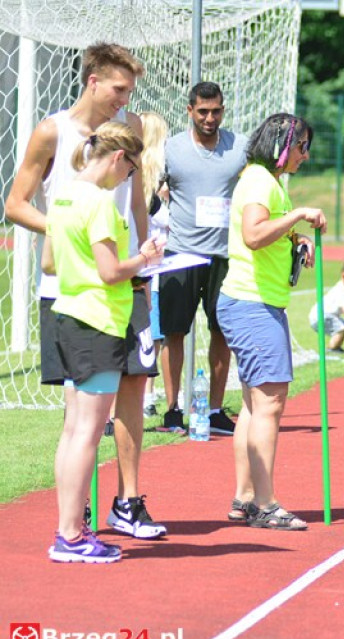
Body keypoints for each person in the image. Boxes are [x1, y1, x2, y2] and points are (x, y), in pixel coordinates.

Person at [4, 42, 166, 540]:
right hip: (71, 288)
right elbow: (15, 204)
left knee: (134, 389)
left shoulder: (131, 129)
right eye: (119, 89)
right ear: (93, 80)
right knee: (83, 408)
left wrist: (145, 252)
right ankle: (74, 520)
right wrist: (67, 231)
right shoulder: (53, 130)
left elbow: (136, 198)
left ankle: (128, 501)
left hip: (128, 277)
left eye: (130, 91)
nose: (125, 99)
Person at [46, 122, 165, 562]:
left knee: (73, 432)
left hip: (69, 315)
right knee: (87, 435)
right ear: (118, 158)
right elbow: (112, 271)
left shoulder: (62, 195)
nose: (128, 179)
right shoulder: (98, 202)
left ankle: (68, 530)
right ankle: (71, 536)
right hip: (97, 321)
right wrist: (146, 257)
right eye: (131, 170)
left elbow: (50, 261)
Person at [216, 112, 324, 530]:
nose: (306, 155)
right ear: (282, 145)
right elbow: (254, 234)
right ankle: (265, 503)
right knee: (270, 404)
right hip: (253, 304)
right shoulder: (261, 181)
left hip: (254, 302)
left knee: (253, 404)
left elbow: (264, 233)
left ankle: (246, 498)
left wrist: (294, 239)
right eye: (301, 146)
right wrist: (298, 218)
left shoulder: (266, 182)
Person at [160, 82, 249, 436]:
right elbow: (150, 189)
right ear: (189, 111)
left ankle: (214, 410)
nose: (210, 118)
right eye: (203, 112)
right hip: (179, 253)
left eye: (216, 112)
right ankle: (171, 410)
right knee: (174, 332)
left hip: (224, 256)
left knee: (221, 331)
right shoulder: (171, 150)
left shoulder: (239, 147)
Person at [139, 111, 171, 417]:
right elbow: (164, 219)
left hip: (149, 269)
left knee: (152, 336)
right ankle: (143, 397)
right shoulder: (145, 182)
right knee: (149, 336)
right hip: (148, 270)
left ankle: (146, 397)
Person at [309, 257, 344, 352]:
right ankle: (332, 349)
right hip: (321, 316)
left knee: (343, 326)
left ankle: (336, 347)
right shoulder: (342, 291)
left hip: (319, 316)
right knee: (342, 327)